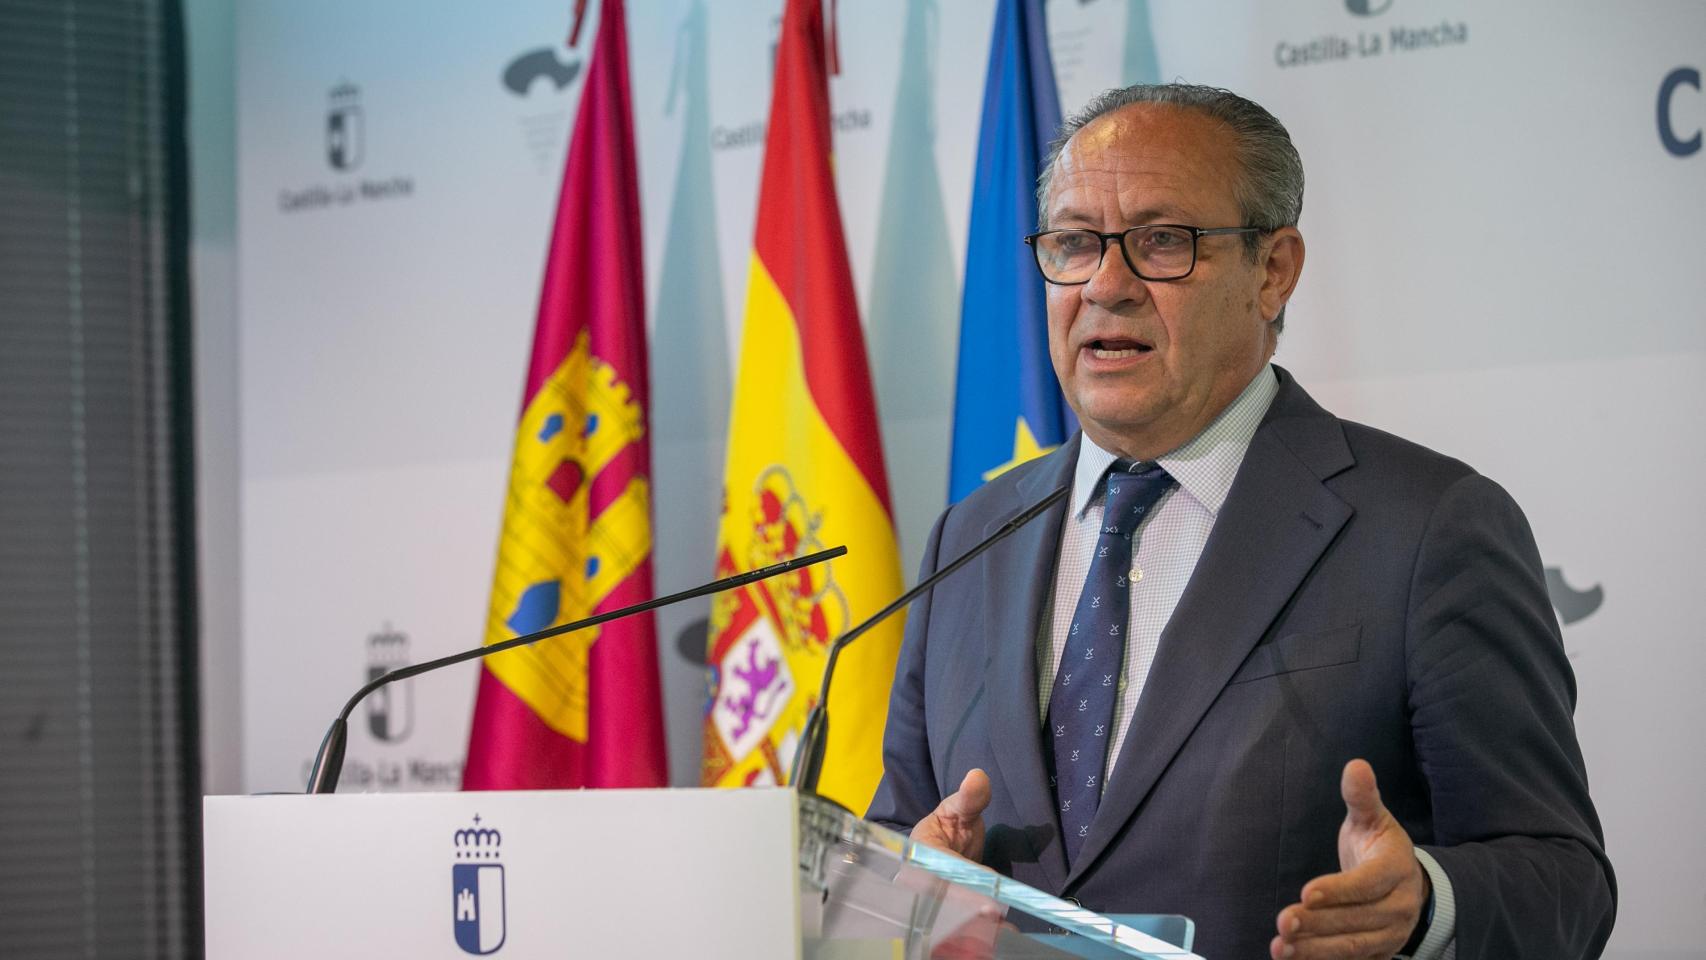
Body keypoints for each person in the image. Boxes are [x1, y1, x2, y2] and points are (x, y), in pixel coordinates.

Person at [866, 83, 1615, 960]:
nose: (1107, 286)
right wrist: (905, 888)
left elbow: (1562, 878)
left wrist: (1422, 909)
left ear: (1274, 270)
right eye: (1073, 244)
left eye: (1161, 243)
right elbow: (899, 838)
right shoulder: (972, 536)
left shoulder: (1427, 529)